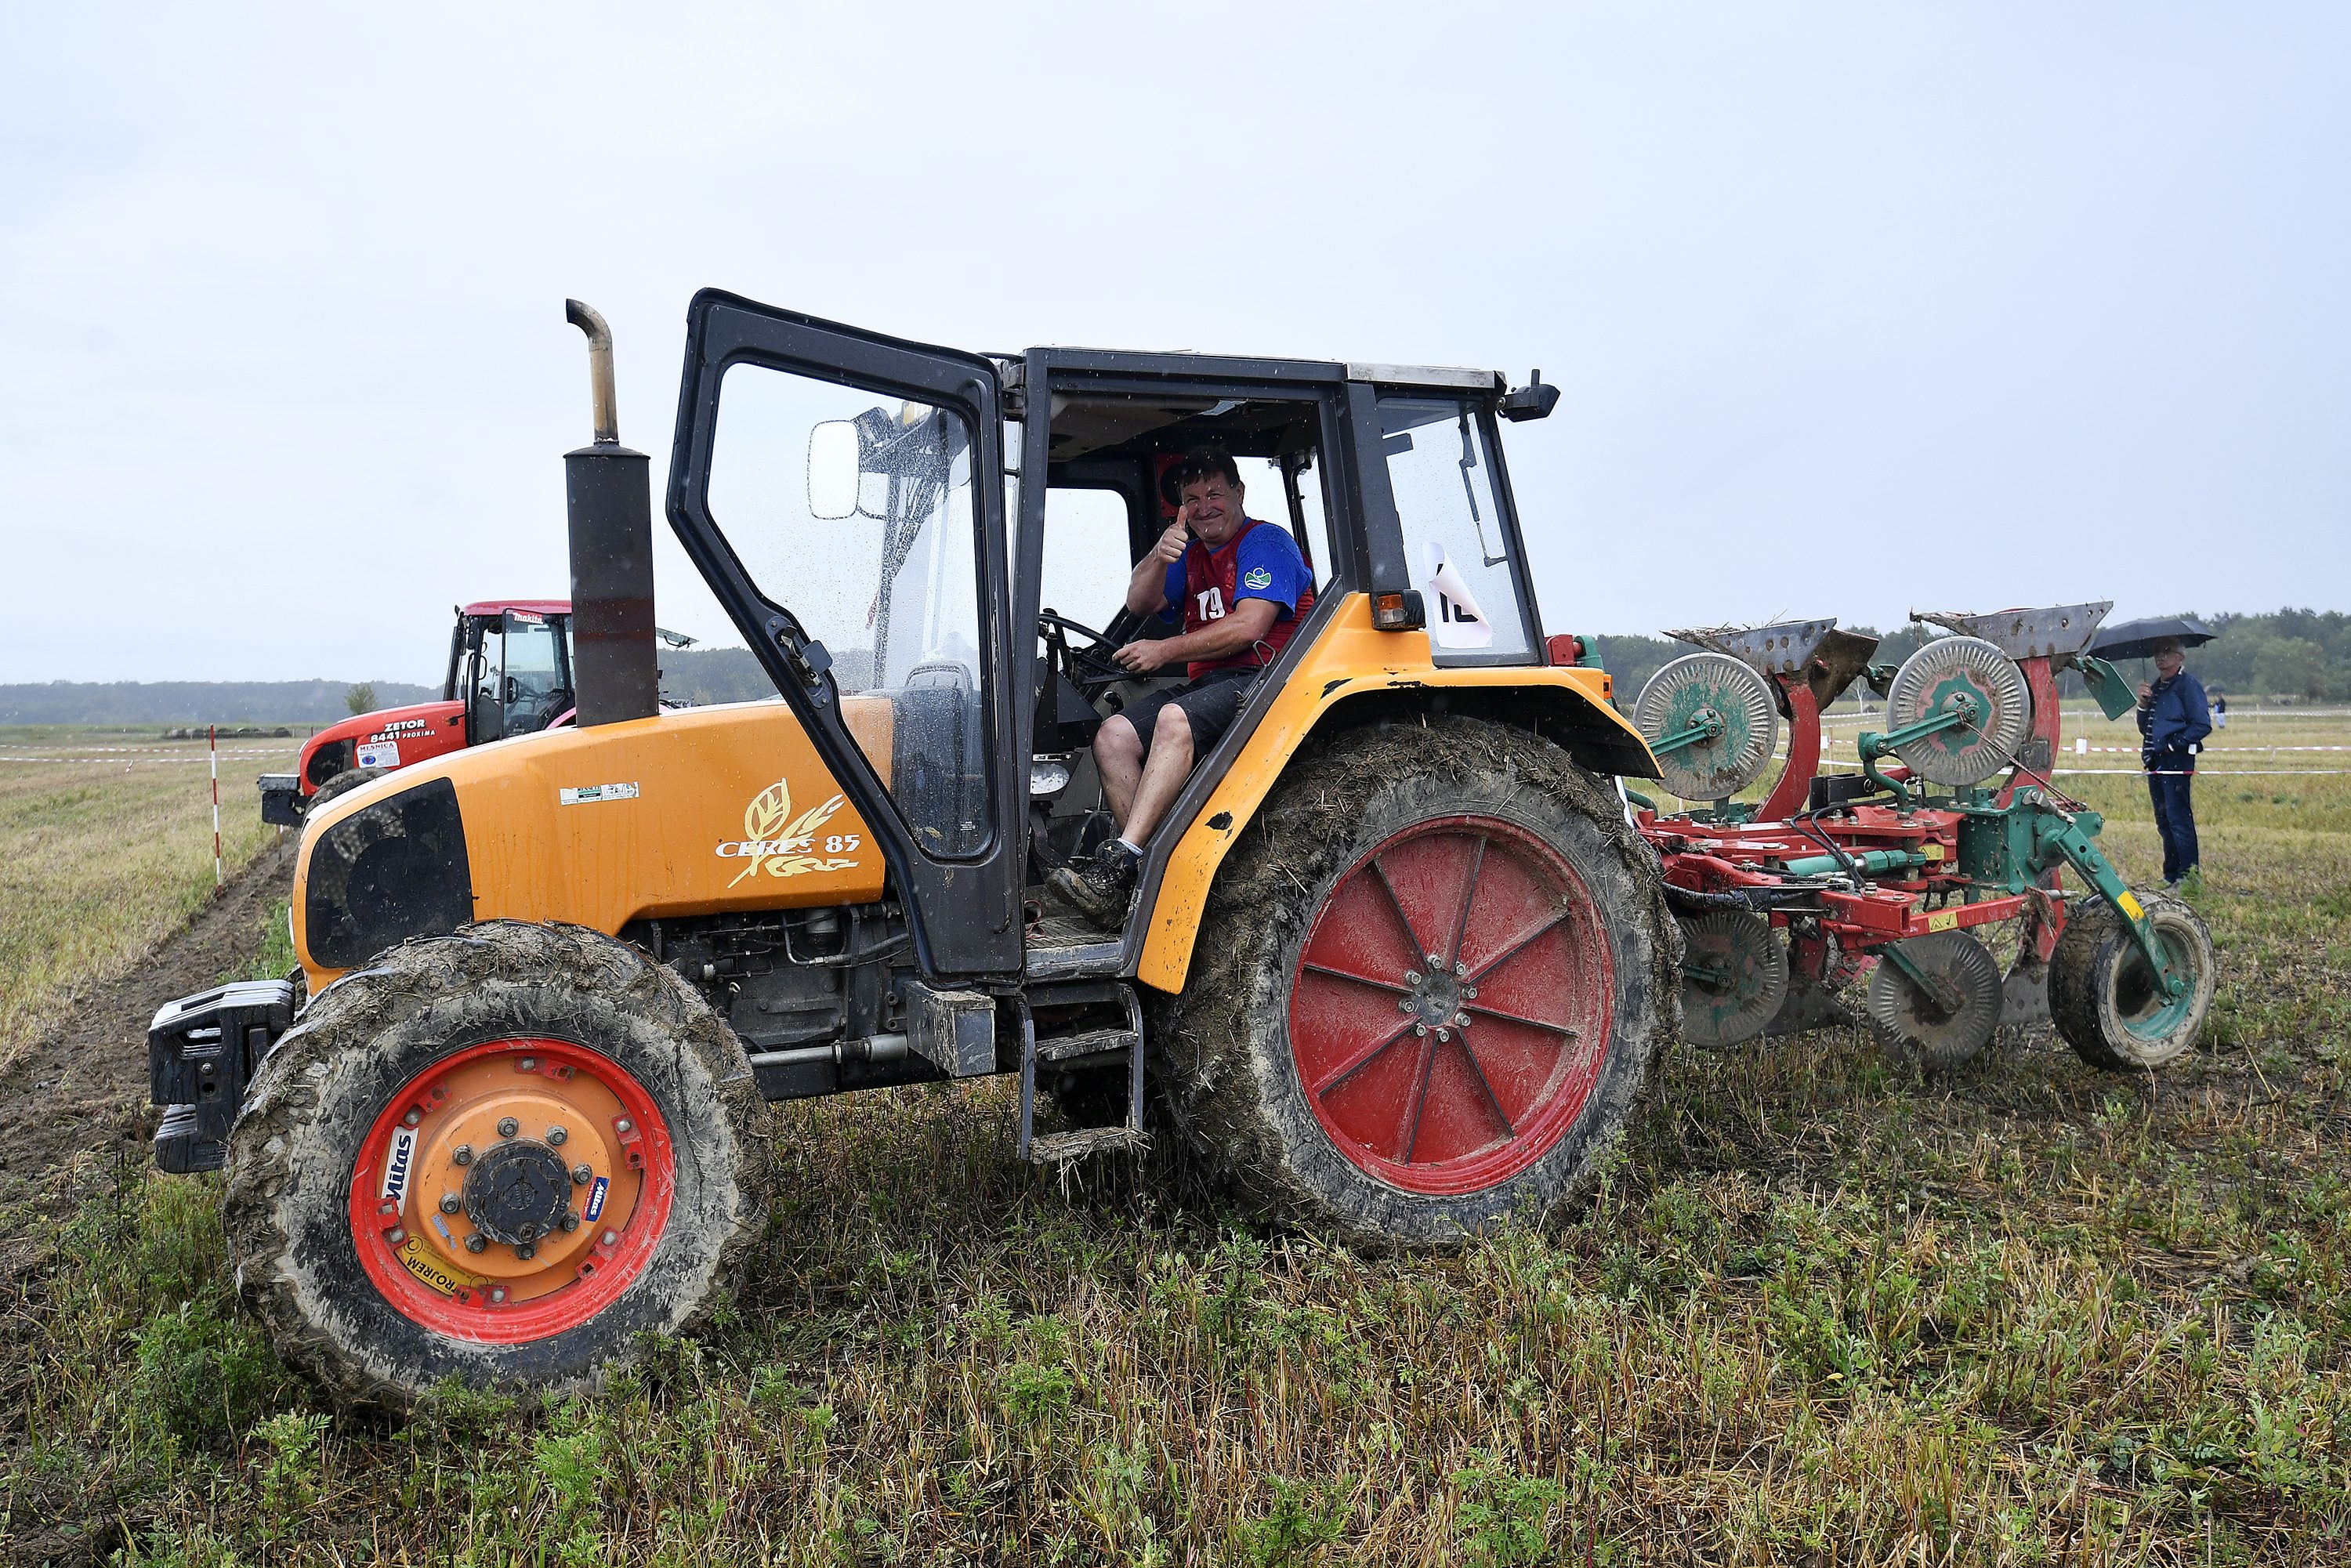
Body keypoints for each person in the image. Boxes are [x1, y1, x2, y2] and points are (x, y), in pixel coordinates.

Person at [1048, 448, 1316, 926]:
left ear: (1239, 492)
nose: (1204, 506)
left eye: (1214, 493)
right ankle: (1148, 875)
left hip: (1267, 680)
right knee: (1113, 736)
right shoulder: (1191, 556)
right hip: (1210, 682)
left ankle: (1123, 863)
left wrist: (1164, 651)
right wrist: (1158, 555)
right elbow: (1139, 602)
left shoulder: (1266, 543)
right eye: (1192, 500)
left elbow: (1250, 626)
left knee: (1174, 719)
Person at [2136, 637, 2210, 890]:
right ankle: (2171, 875)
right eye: (2157, 651)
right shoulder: (2156, 688)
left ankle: (2188, 877)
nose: (2160, 656)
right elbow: (2145, 729)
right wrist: (2143, 706)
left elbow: (2202, 725)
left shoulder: (2188, 686)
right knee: (2164, 820)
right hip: (2155, 761)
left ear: (2180, 657)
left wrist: (2172, 744)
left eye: (2167, 651)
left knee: (2179, 819)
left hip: (2176, 760)